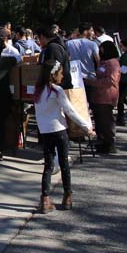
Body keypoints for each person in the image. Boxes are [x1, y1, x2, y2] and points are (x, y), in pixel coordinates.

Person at [33, 61, 92, 213]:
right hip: (59, 130)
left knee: (48, 165)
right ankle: (67, 196)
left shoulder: (38, 90)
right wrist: (86, 127)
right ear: (53, 75)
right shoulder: (57, 91)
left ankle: (45, 199)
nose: (63, 75)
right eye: (60, 73)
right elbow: (70, 111)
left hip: (45, 131)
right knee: (64, 163)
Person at [85, 40, 121, 154]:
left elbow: (111, 80)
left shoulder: (112, 63)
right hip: (99, 96)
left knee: (106, 121)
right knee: (100, 121)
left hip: (107, 96)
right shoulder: (104, 62)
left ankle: (110, 143)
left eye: (102, 49)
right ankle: (103, 142)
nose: (100, 52)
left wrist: (93, 82)